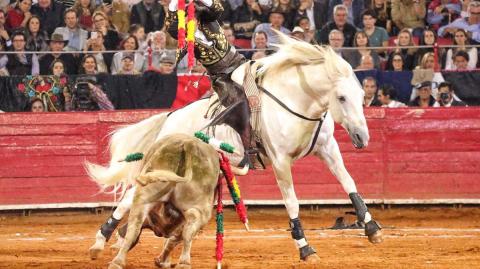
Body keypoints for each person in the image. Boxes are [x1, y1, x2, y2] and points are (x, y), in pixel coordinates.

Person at [166, 0, 255, 156]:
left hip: (241, 63)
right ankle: (249, 145)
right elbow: (172, 28)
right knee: (237, 101)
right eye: (185, 17)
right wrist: (175, 3)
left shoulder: (209, 19)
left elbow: (217, 8)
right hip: (222, 77)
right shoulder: (185, 36)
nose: (189, 19)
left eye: (190, 15)